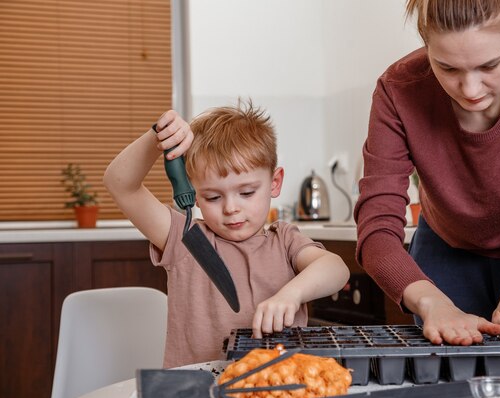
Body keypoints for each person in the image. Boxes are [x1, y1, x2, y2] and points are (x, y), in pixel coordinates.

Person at [355, 0, 500, 346]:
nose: (470, 89)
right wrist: (430, 301)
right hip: (445, 249)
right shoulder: (398, 90)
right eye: (447, 68)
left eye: (490, 65)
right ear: (425, 41)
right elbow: (376, 225)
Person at [104, 101, 349, 367]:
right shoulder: (183, 238)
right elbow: (120, 184)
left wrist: (291, 294)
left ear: (274, 183)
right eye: (213, 197)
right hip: (195, 397)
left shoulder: (285, 241)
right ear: (195, 195)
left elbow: (336, 269)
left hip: (273, 392)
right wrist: (158, 137)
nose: (231, 208)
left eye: (246, 193)